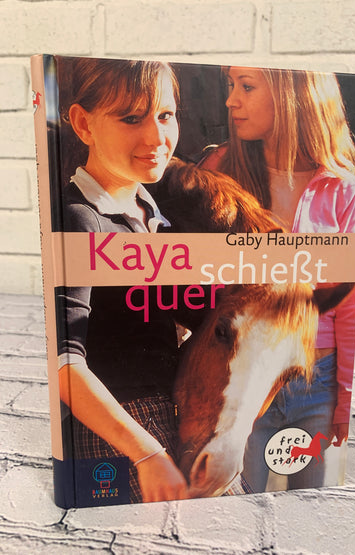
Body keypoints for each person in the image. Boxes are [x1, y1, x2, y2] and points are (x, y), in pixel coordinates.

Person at [200, 67, 355, 491]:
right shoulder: (219, 169)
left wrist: (344, 397)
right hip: (240, 380)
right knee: (237, 504)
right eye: (231, 85)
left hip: (317, 384)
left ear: (293, 94)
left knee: (312, 507)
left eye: (246, 86)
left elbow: (349, 305)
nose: (231, 100)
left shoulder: (342, 190)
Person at [56, 57, 189, 503]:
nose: (156, 138)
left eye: (165, 115)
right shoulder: (80, 220)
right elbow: (65, 365)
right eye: (132, 118)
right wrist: (146, 453)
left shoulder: (155, 214)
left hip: (175, 416)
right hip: (125, 432)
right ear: (83, 123)